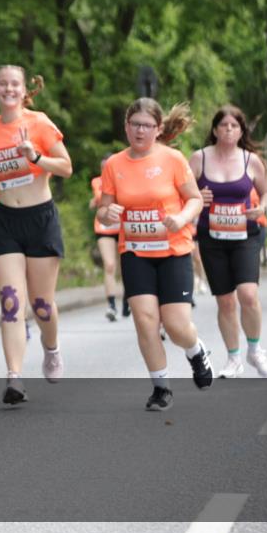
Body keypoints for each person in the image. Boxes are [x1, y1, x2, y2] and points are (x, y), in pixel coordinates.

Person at [0, 65, 73, 405]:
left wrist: (35, 156)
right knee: (10, 301)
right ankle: (14, 377)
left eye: (14, 84)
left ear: (24, 91)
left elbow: (66, 167)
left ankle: (51, 348)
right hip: (5, 219)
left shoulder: (40, 123)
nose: (8, 89)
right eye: (2, 84)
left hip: (40, 218)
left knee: (41, 305)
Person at [98, 98, 213, 411]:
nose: (140, 131)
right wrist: (109, 213)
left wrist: (182, 217)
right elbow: (104, 210)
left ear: (158, 129)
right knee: (145, 321)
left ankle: (196, 351)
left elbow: (194, 199)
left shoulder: (173, 159)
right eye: (135, 124)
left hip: (173, 251)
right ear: (126, 127)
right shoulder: (114, 165)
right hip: (135, 252)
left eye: (147, 125)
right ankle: (161, 388)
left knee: (176, 326)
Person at [189, 105, 267, 378]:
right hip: (212, 238)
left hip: (244, 236)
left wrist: (262, 207)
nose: (229, 129)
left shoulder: (251, 160)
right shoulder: (199, 159)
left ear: (241, 131)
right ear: (215, 130)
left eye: (234, 126)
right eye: (224, 125)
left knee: (248, 295)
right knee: (225, 301)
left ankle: (255, 351)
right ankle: (233, 358)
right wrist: (196, 198)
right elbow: (180, 193)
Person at [0, 181, 32, 340]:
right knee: (13, 288)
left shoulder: (25, 180)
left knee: (24, 283)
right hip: (3, 236)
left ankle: (24, 319)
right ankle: (21, 321)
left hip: (28, 233)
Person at [90, 154, 127, 321]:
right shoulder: (97, 181)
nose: (105, 170)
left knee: (125, 267)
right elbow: (100, 197)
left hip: (122, 227)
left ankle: (127, 300)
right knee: (110, 265)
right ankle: (111, 305)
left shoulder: (124, 178)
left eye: (108, 167)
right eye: (102, 167)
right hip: (104, 228)